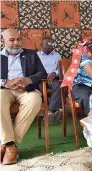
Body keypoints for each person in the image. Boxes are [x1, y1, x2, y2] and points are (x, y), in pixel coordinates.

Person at [0, 29, 47, 164]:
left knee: (34, 101)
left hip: (27, 90)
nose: (16, 43)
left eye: (19, 39)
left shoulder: (31, 54)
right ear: (3, 41)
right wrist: (5, 82)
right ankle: (11, 145)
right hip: (5, 90)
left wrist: (28, 80)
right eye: (12, 40)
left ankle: (7, 144)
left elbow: (42, 73)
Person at [37, 37, 62, 124]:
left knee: (57, 86)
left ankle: (50, 111)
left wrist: (54, 73)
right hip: (40, 79)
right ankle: (53, 111)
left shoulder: (57, 55)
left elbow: (60, 69)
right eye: (47, 43)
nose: (50, 45)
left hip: (52, 79)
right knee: (40, 89)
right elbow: (33, 69)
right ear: (41, 45)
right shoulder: (37, 55)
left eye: (52, 43)